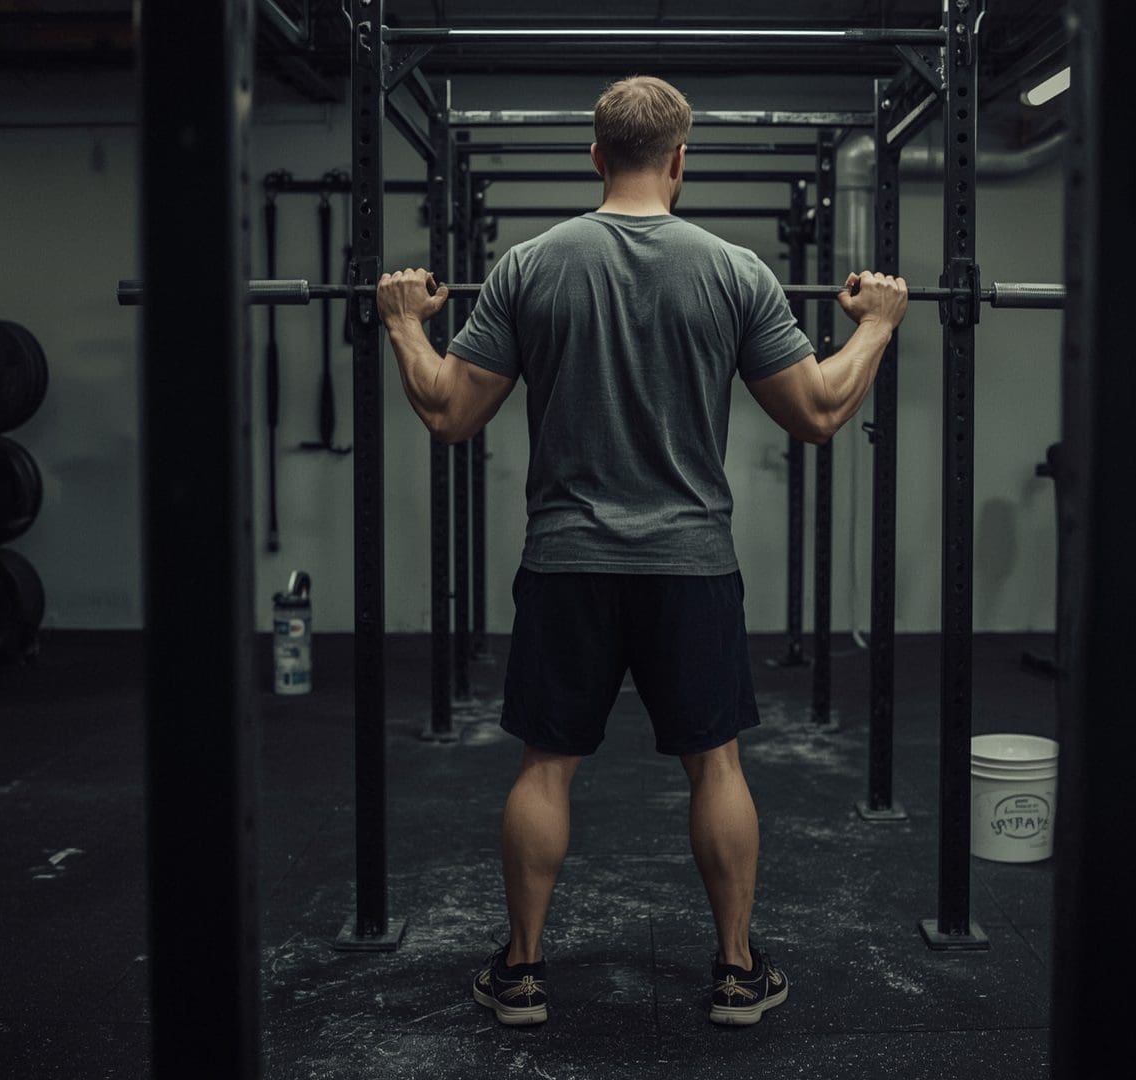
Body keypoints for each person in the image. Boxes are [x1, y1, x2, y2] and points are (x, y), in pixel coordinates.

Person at [375, 75, 908, 1028]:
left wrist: (405, 321)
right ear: (679, 160)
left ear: (595, 155)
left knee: (546, 766)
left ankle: (522, 974)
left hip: (566, 560)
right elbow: (820, 411)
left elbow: (449, 411)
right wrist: (876, 325)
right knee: (717, 766)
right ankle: (737, 973)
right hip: (690, 563)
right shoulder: (734, 270)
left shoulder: (529, 265)